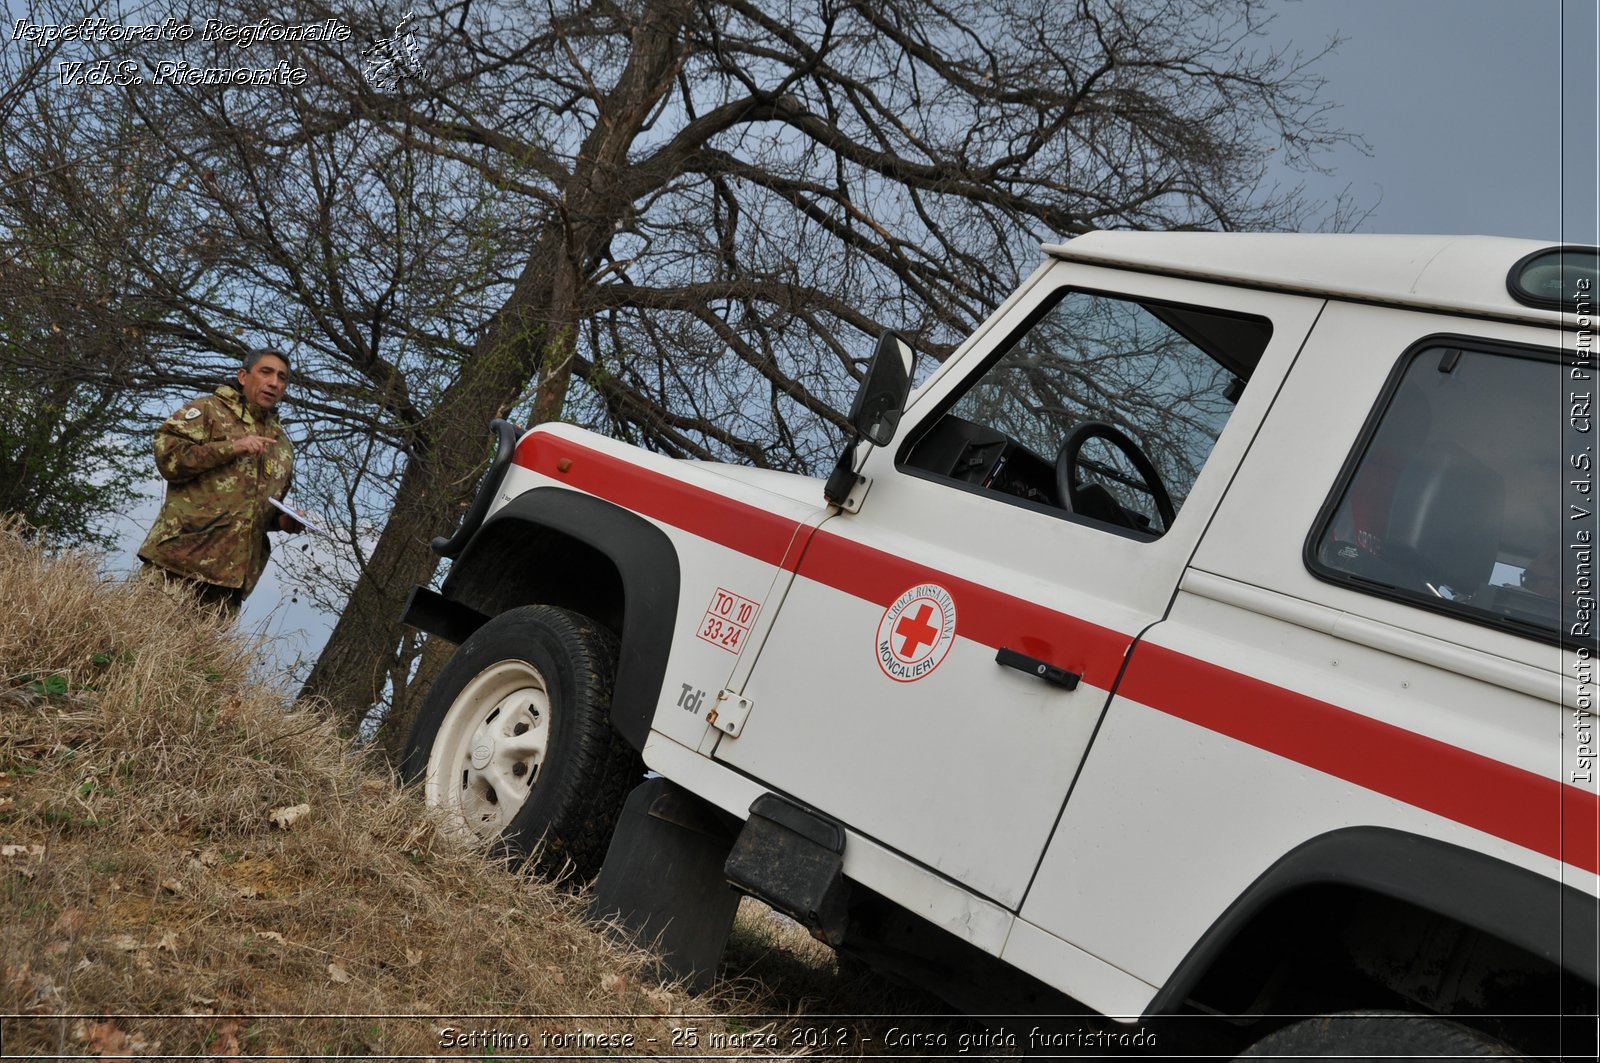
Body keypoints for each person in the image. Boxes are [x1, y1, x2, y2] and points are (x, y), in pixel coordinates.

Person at [136, 349, 304, 613]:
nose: (274, 382)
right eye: (266, 372)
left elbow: (261, 509)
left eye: (282, 378)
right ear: (242, 376)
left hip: (228, 586)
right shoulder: (208, 410)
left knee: (196, 656)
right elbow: (168, 458)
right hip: (177, 566)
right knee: (137, 647)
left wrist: (283, 521)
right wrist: (231, 448)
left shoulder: (282, 446)